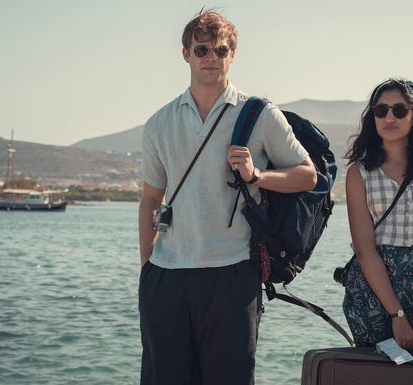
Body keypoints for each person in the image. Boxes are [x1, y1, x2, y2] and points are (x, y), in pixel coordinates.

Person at [137, 11, 316, 385]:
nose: (211, 57)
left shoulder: (260, 114)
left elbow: (307, 175)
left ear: (232, 55)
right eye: (202, 48)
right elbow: (151, 198)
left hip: (232, 273)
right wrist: (147, 269)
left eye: (221, 49)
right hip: (166, 276)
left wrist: (256, 176)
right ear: (185, 53)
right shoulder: (160, 123)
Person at [341, 78, 413, 355]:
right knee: (379, 375)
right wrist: (397, 316)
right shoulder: (359, 174)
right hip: (374, 298)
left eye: (399, 110)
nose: (389, 117)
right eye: (381, 111)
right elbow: (365, 249)